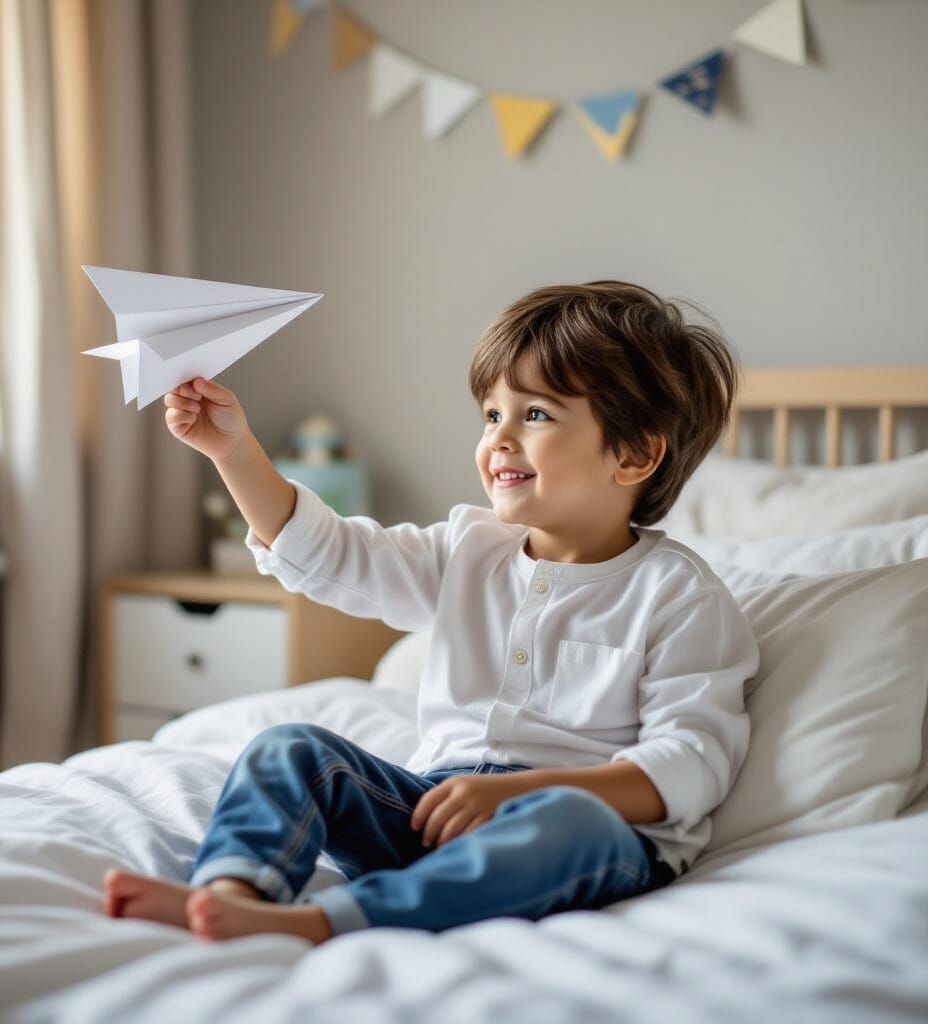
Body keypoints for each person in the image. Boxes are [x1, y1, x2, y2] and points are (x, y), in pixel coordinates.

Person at [102, 279, 760, 945]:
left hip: (581, 836)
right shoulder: (467, 550)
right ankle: (232, 891)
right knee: (290, 748)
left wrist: (518, 796)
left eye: (535, 415)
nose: (500, 438)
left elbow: (691, 761)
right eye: (491, 414)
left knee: (568, 820)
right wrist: (231, 450)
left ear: (635, 454)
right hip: (432, 811)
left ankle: (320, 922)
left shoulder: (679, 596)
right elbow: (334, 555)